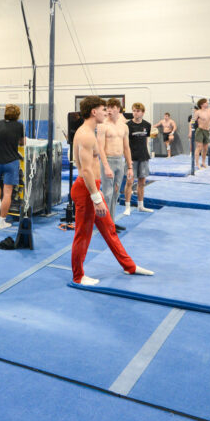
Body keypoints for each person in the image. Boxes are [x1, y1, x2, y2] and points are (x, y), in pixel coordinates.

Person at [70, 97, 153, 285]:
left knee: (109, 229)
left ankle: (129, 266)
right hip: (86, 189)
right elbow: (85, 169)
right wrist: (96, 196)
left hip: (93, 187)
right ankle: (78, 276)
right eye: (103, 109)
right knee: (83, 235)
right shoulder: (85, 134)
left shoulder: (92, 131)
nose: (106, 112)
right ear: (93, 112)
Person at [97, 98, 132, 228]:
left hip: (119, 161)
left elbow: (127, 147)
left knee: (116, 192)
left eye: (112, 107)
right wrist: (106, 166)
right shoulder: (102, 126)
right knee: (107, 193)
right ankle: (105, 223)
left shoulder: (124, 126)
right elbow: (100, 147)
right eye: (107, 108)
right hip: (108, 160)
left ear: (118, 108)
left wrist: (129, 166)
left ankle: (111, 222)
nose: (109, 110)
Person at [0, 104, 26, 230]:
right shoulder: (19, 125)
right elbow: (22, 142)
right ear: (17, 115)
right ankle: (2, 221)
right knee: (7, 192)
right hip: (11, 161)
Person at [125, 103, 155, 213]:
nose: (135, 113)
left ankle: (140, 206)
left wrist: (146, 152)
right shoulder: (127, 125)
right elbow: (125, 144)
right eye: (134, 110)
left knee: (142, 183)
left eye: (137, 111)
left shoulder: (147, 124)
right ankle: (127, 207)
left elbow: (145, 140)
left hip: (143, 157)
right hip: (132, 158)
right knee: (129, 182)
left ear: (142, 112)